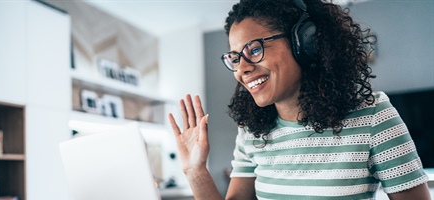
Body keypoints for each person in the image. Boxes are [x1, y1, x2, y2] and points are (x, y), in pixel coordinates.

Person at [168, 0, 431, 199]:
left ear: (305, 43)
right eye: (235, 58)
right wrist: (195, 171)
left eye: (254, 49)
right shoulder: (251, 132)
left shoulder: (374, 116)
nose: (241, 69)